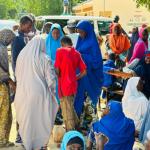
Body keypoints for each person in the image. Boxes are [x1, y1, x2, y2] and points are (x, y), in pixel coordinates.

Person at [14, 35, 58, 150]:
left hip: (23, 93)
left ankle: (26, 143)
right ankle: (42, 144)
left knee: (27, 119)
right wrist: (53, 89)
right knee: (41, 118)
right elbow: (50, 79)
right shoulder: (45, 58)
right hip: (40, 93)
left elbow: (16, 74)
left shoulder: (21, 56)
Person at [74, 20, 104, 130]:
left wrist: (83, 57)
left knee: (88, 100)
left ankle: (91, 126)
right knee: (80, 100)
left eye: (82, 32)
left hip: (90, 78)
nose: (80, 34)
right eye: (79, 32)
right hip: (81, 77)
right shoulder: (80, 40)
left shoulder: (92, 43)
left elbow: (97, 62)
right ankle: (82, 124)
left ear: (87, 30)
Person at [54, 36, 87, 132]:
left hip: (64, 85)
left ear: (62, 43)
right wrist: (75, 78)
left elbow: (57, 70)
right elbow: (84, 71)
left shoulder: (60, 51)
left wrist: (58, 79)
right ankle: (77, 128)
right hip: (73, 85)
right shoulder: (76, 53)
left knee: (66, 110)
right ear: (70, 43)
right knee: (70, 107)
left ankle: (70, 133)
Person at [0, 27, 16, 148]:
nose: (10, 43)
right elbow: (3, 72)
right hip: (2, 87)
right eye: (10, 39)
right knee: (5, 114)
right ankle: (2, 141)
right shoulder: (2, 48)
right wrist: (13, 85)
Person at [45, 23, 64, 106]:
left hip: (62, 71)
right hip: (50, 71)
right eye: (54, 33)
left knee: (61, 90)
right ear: (50, 33)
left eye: (58, 33)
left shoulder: (64, 42)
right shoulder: (46, 41)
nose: (56, 35)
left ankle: (60, 108)